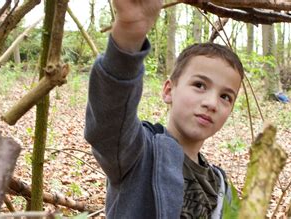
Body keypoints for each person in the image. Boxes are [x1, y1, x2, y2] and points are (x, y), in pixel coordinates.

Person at [84, 0, 244, 218]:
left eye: (225, 96)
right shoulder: (138, 153)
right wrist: (129, 36)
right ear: (169, 91)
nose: (212, 103)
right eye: (199, 85)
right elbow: (108, 122)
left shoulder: (221, 187)